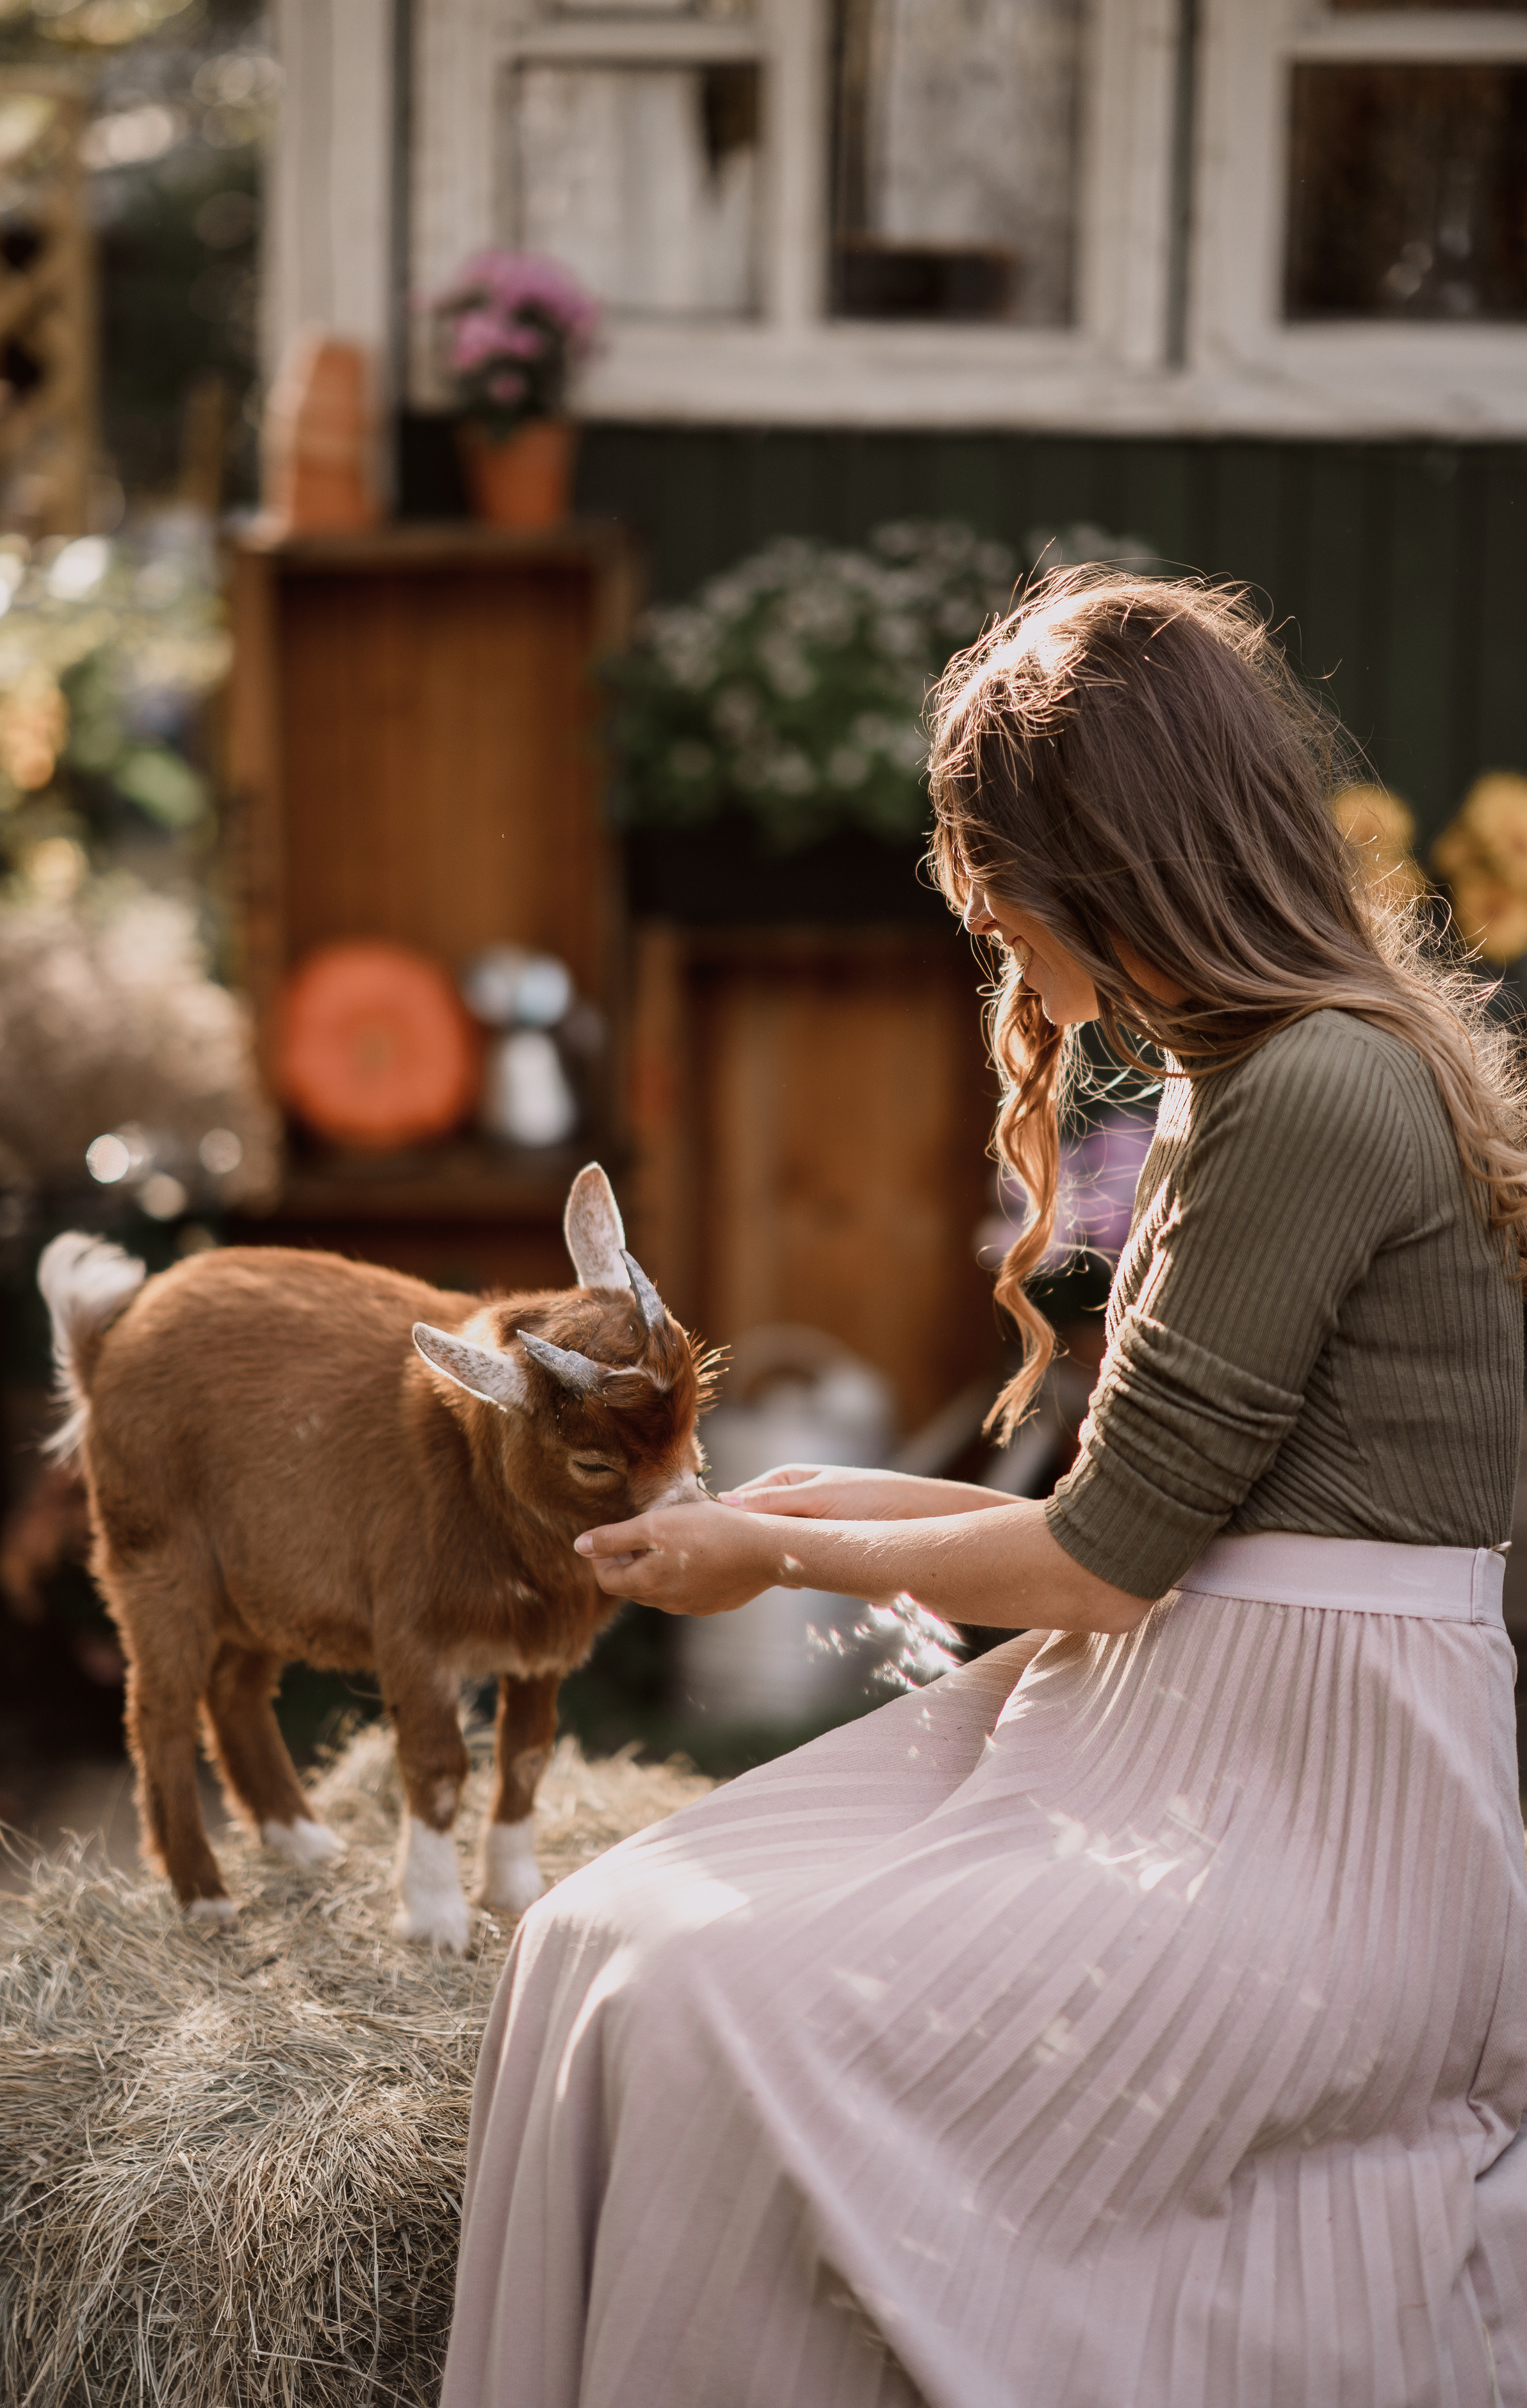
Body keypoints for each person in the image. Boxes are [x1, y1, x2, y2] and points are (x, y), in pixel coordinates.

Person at [439, 571, 1527, 2408]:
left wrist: (763, 1549)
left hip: (1320, 1809)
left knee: (716, 2011)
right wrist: (793, 1498)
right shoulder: (1237, 1078)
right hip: (1196, 1726)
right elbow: (1158, 1509)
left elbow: (1104, 1561)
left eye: (1003, 898)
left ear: (1119, 863)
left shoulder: (1316, 1097)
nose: (1002, 943)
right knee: (596, 1941)